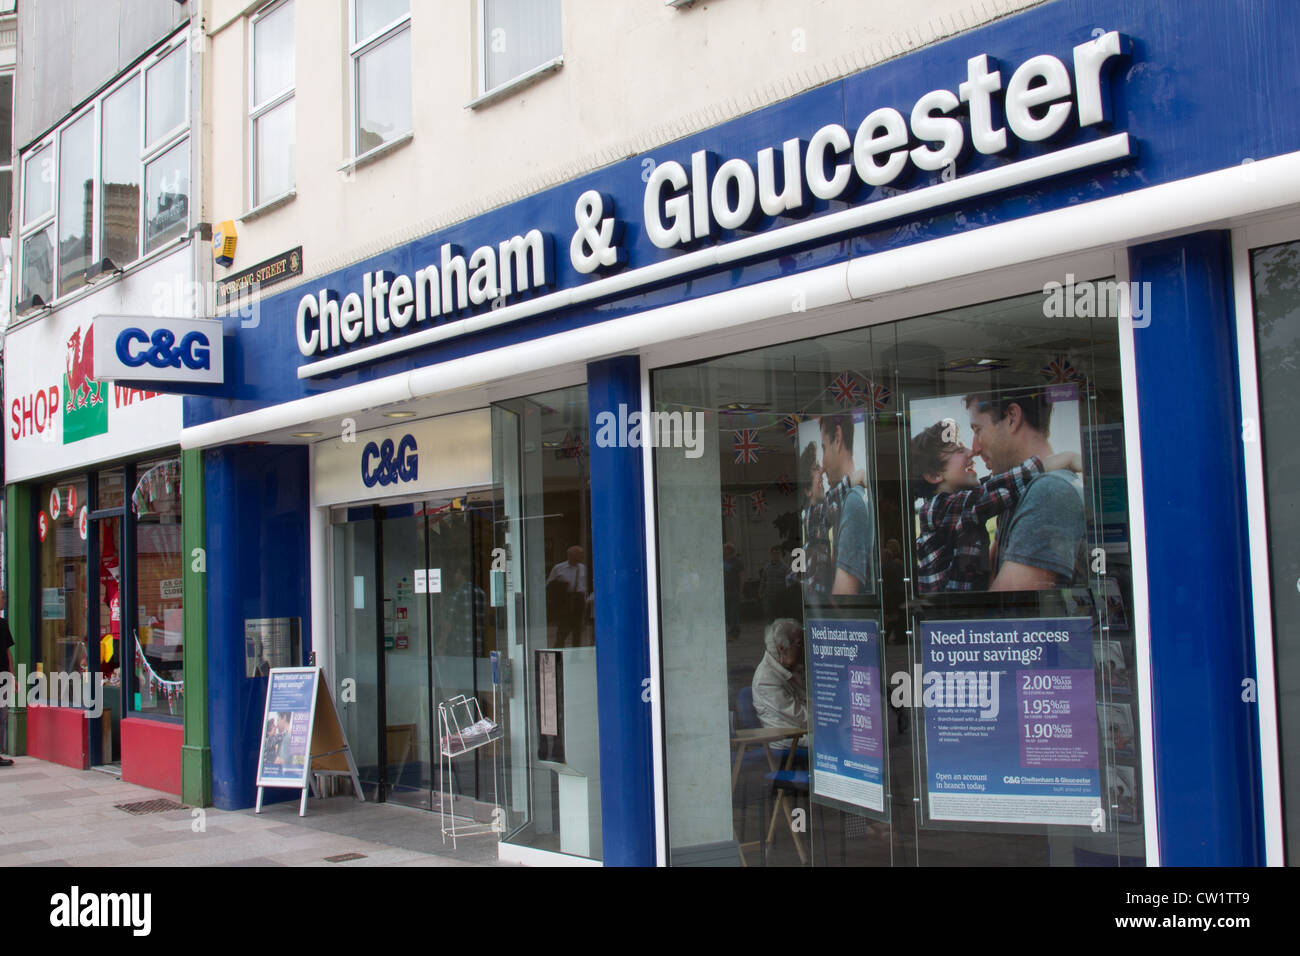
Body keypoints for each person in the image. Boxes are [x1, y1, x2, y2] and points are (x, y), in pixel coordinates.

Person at [911, 419, 1081, 592]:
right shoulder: (938, 510)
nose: (971, 452)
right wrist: (1062, 460)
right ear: (934, 475)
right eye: (959, 450)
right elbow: (998, 488)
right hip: (947, 614)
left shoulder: (961, 507)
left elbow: (992, 488)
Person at [965, 385, 1088, 590]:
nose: (975, 448)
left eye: (978, 430)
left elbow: (1002, 610)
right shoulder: (1019, 492)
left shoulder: (1049, 491)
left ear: (1012, 417)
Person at [819, 413, 875, 595]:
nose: (823, 465)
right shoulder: (847, 499)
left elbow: (844, 596)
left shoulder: (852, 503)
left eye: (824, 448)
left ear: (838, 438)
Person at [751, 619, 807, 729]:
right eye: (800, 643)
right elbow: (800, 717)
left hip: (802, 733)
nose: (803, 649)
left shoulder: (788, 667)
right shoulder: (766, 679)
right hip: (790, 740)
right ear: (782, 649)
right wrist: (829, 718)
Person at [546, 546, 587, 647]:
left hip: (579, 598)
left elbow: (585, 584)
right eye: (579, 555)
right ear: (571, 555)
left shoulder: (583, 568)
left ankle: (576, 652)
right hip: (566, 598)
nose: (582, 557)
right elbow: (549, 584)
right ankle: (559, 646)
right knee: (564, 625)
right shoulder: (559, 568)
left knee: (577, 628)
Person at [0, 588, 13, 767]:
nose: (4, 600)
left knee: (2, 714)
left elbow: (8, 651)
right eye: (2, 597)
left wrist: (12, 675)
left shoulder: (3, 624)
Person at [757, 547, 788, 622]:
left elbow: (788, 581)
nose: (775, 555)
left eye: (777, 553)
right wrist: (760, 591)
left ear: (780, 554)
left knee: (779, 616)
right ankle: (770, 630)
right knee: (768, 614)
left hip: (780, 595)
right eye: (773, 553)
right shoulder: (767, 567)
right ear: (771, 555)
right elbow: (763, 580)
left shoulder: (785, 567)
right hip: (768, 595)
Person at [722, 543, 744, 642]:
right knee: (726, 614)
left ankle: (733, 633)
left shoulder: (737, 562)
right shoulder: (722, 561)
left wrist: (740, 591)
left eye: (725, 550)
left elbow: (741, 577)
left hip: (734, 590)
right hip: (724, 591)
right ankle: (734, 629)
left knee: (734, 613)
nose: (723, 551)